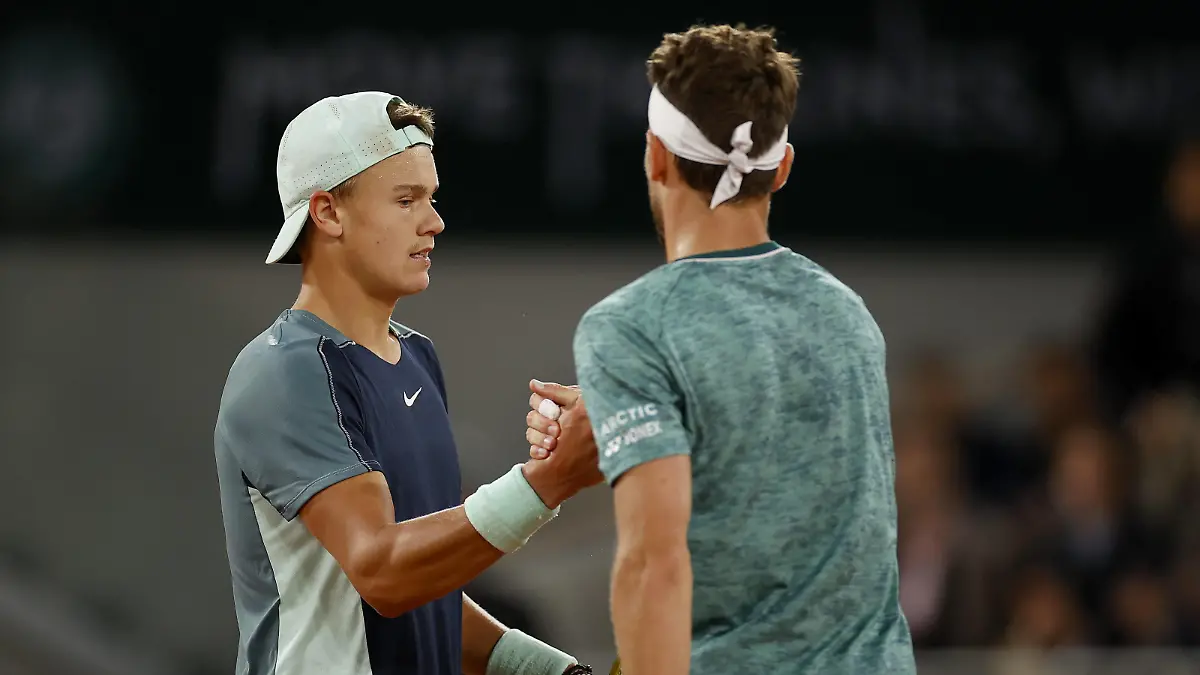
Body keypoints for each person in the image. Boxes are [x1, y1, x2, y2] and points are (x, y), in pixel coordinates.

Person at [523, 25, 916, 674]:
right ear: (782, 167)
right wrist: (636, 415)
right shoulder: (848, 314)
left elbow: (654, 568)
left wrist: (643, 398)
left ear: (654, 155)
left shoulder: (633, 328)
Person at [213, 91, 602, 675]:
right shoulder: (285, 372)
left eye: (431, 198)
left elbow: (427, 586)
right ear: (328, 213)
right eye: (405, 200)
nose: (434, 222)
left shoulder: (416, 356)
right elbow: (384, 575)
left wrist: (551, 671)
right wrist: (549, 481)